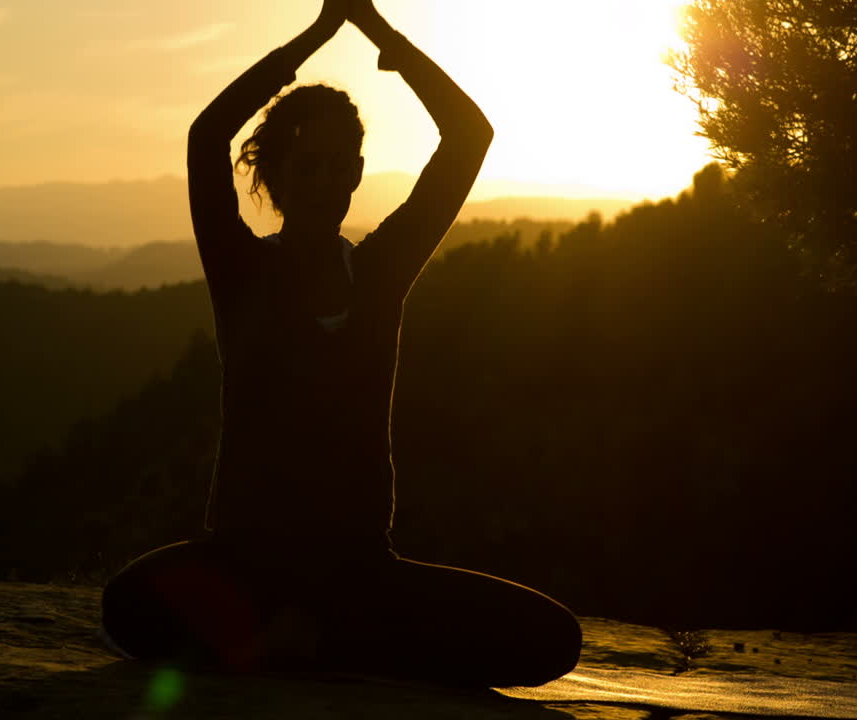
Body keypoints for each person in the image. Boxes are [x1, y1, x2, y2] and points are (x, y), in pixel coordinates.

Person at [101, 0, 581, 688]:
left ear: (357, 172)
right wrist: (319, 33)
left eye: (337, 167)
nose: (326, 184)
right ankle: (323, 642)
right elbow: (207, 136)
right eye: (308, 168)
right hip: (247, 564)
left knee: (552, 638)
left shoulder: (380, 272)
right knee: (127, 605)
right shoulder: (242, 273)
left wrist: (380, 33)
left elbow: (469, 135)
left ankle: (303, 641)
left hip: (357, 569)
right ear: (276, 175)